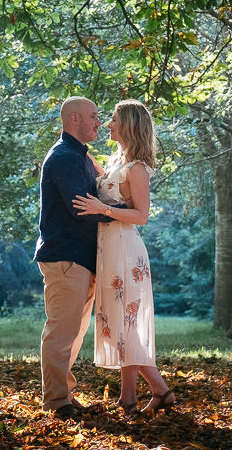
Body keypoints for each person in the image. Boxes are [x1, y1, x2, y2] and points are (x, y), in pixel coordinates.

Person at [72, 99, 176, 417]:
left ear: (129, 124)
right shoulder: (118, 162)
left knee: (126, 324)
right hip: (108, 249)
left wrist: (102, 209)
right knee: (120, 325)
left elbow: (141, 215)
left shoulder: (138, 168)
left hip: (126, 252)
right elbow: (105, 183)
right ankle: (144, 396)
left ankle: (142, 396)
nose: (108, 124)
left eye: (114, 119)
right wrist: (79, 150)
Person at [33, 95, 107, 420]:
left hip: (82, 257)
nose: (99, 122)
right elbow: (82, 209)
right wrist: (124, 214)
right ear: (74, 119)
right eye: (93, 116)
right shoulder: (62, 157)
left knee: (74, 333)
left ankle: (64, 395)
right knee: (61, 331)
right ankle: (56, 402)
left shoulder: (82, 157)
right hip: (65, 256)